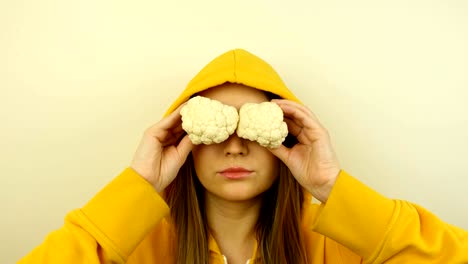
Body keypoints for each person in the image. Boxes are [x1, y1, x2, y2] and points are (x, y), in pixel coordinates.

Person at [19, 49, 467, 264]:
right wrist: (139, 184)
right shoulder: (138, 246)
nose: (234, 145)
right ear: (183, 141)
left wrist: (331, 184)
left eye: (253, 126)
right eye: (215, 128)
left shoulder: (336, 243)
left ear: (287, 138)